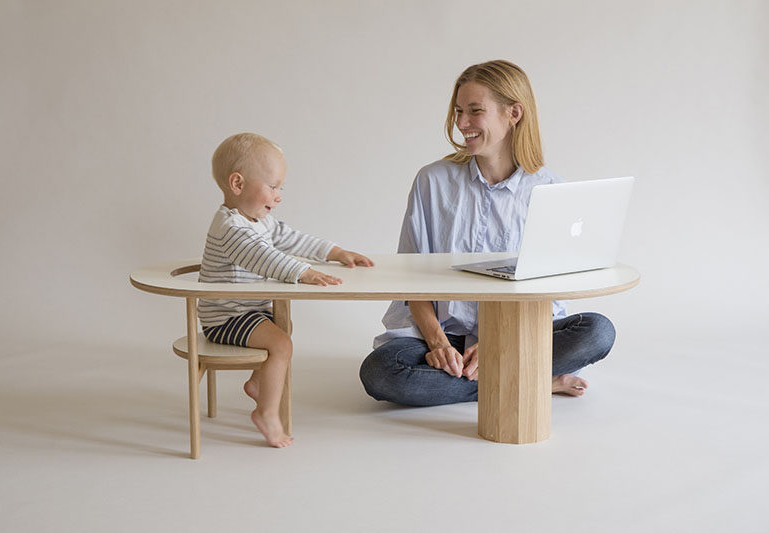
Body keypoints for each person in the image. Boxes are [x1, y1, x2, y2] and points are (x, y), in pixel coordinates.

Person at [359, 60, 616, 407]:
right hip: (438, 334)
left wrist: (499, 344)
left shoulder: (550, 189)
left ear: (514, 113)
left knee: (598, 331)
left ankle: (498, 373)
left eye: (475, 111)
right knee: (380, 372)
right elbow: (411, 278)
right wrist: (438, 344)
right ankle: (532, 379)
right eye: (459, 111)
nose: (462, 123)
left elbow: (549, 292)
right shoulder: (432, 181)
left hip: (516, 336)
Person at [200, 133, 373, 447]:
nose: (278, 196)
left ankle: (258, 383)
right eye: (273, 186)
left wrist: (334, 252)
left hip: (247, 310)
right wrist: (303, 273)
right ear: (237, 184)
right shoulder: (230, 227)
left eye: (281, 188)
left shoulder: (258, 220)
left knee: (284, 326)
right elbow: (264, 258)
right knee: (282, 346)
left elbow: (292, 238)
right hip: (225, 317)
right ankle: (266, 413)